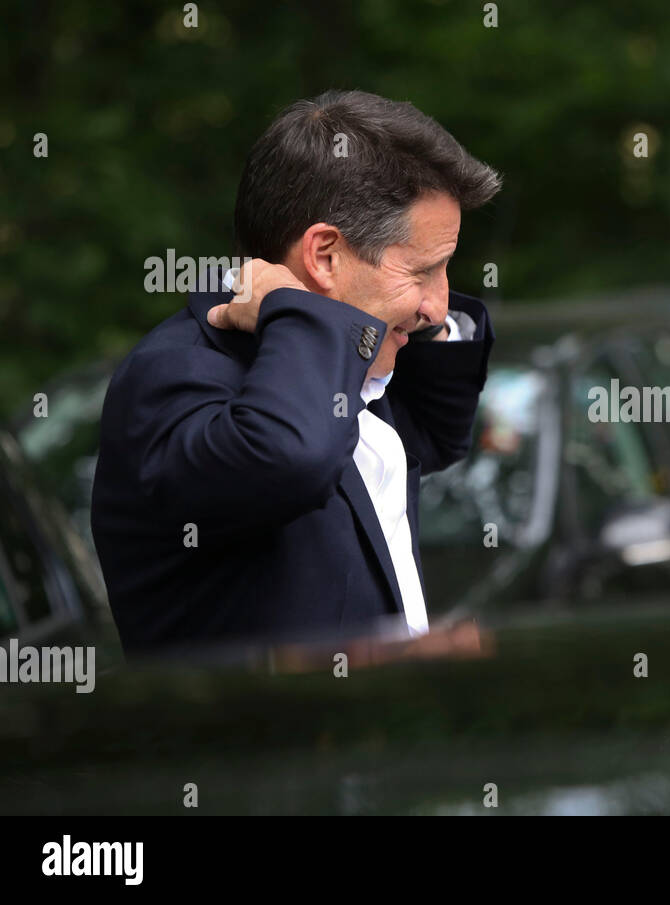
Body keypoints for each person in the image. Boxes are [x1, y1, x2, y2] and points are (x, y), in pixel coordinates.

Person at [92, 90, 500, 651]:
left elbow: (434, 435)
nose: (439, 304)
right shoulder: (172, 377)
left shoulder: (342, 359)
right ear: (325, 255)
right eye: (423, 269)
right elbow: (291, 460)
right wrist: (302, 314)